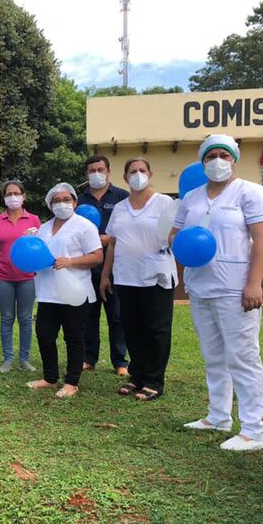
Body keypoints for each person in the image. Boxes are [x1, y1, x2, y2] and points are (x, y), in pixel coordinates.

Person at [172, 134, 263, 452]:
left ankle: (254, 431)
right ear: (202, 162)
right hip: (201, 286)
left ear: (234, 159)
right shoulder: (192, 198)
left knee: (242, 356)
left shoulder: (251, 192)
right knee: (214, 356)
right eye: (211, 155)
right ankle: (218, 416)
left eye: (224, 155)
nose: (218, 160)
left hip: (236, 288)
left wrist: (254, 283)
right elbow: (177, 235)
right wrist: (181, 274)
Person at [100, 158, 178, 401]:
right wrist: (105, 275)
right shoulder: (120, 208)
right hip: (126, 277)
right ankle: (137, 375)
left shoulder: (165, 203)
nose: (137, 174)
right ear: (125, 178)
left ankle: (154, 380)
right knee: (131, 328)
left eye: (142, 170)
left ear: (150, 174)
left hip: (157, 276)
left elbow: (177, 237)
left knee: (156, 329)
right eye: (132, 171)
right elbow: (113, 243)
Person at [27, 183, 103, 398]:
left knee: (74, 337)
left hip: (74, 291)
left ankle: (72, 382)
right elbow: (36, 256)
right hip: (47, 291)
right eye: (57, 200)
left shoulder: (84, 226)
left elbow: (97, 256)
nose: (62, 204)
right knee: (44, 334)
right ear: (50, 205)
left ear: (75, 202)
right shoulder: (43, 229)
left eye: (66, 199)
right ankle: (50, 377)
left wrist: (71, 261)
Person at [78, 155, 129, 375]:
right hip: (87, 266)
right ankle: (89, 357)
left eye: (100, 169)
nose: (96, 174)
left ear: (108, 172)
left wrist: (108, 239)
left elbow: (128, 229)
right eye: (91, 170)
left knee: (117, 315)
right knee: (89, 315)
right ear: (86, 174)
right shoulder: (78, 200)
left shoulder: (122, 197)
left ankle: (120, 361)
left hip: (117, 266)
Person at [0, 180, 41, 373]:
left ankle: (24, 359)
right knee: (7, 317)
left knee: (26, 318)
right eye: (9, 194)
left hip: (27, 277)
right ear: (4, 198)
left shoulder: (34, 220)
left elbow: (39, 247)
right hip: (3, 277)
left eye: (16, 193)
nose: (13, 197)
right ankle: (8, 359)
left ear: (24, 196)